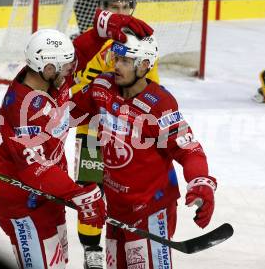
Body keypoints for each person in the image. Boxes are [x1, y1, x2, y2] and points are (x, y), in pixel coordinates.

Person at [0, 9, 154, 269]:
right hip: (24, 202)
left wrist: (104, 27)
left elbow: (82, 51)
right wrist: (82, 194)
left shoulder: (50, 78)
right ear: (47, 67)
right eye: (65, 66)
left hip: (50, 193)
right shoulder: (23, 108)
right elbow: (34, 169)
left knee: (58, 263)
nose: (73, 69)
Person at [70, 32, 217, 269]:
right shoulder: (102, 87)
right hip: (116, 208)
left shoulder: (159, 104)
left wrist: (200, 182)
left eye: (125, 61)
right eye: (116, 58)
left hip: (151, 210)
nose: (117, 66)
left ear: (145, 65)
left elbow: (189, 150)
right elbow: (67, 115)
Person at [71, 0, 160, 268]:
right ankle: (92, 251)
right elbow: (73, 90)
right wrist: (94, 77)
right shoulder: (90, 40)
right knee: (89, 191)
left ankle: (124, 245)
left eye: (124, 6)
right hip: (92, 130)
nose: (120, 12)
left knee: (125, 191)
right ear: (103, 7)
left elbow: (152, 90)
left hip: (124, 133)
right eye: (113, 6)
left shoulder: (143, 39)